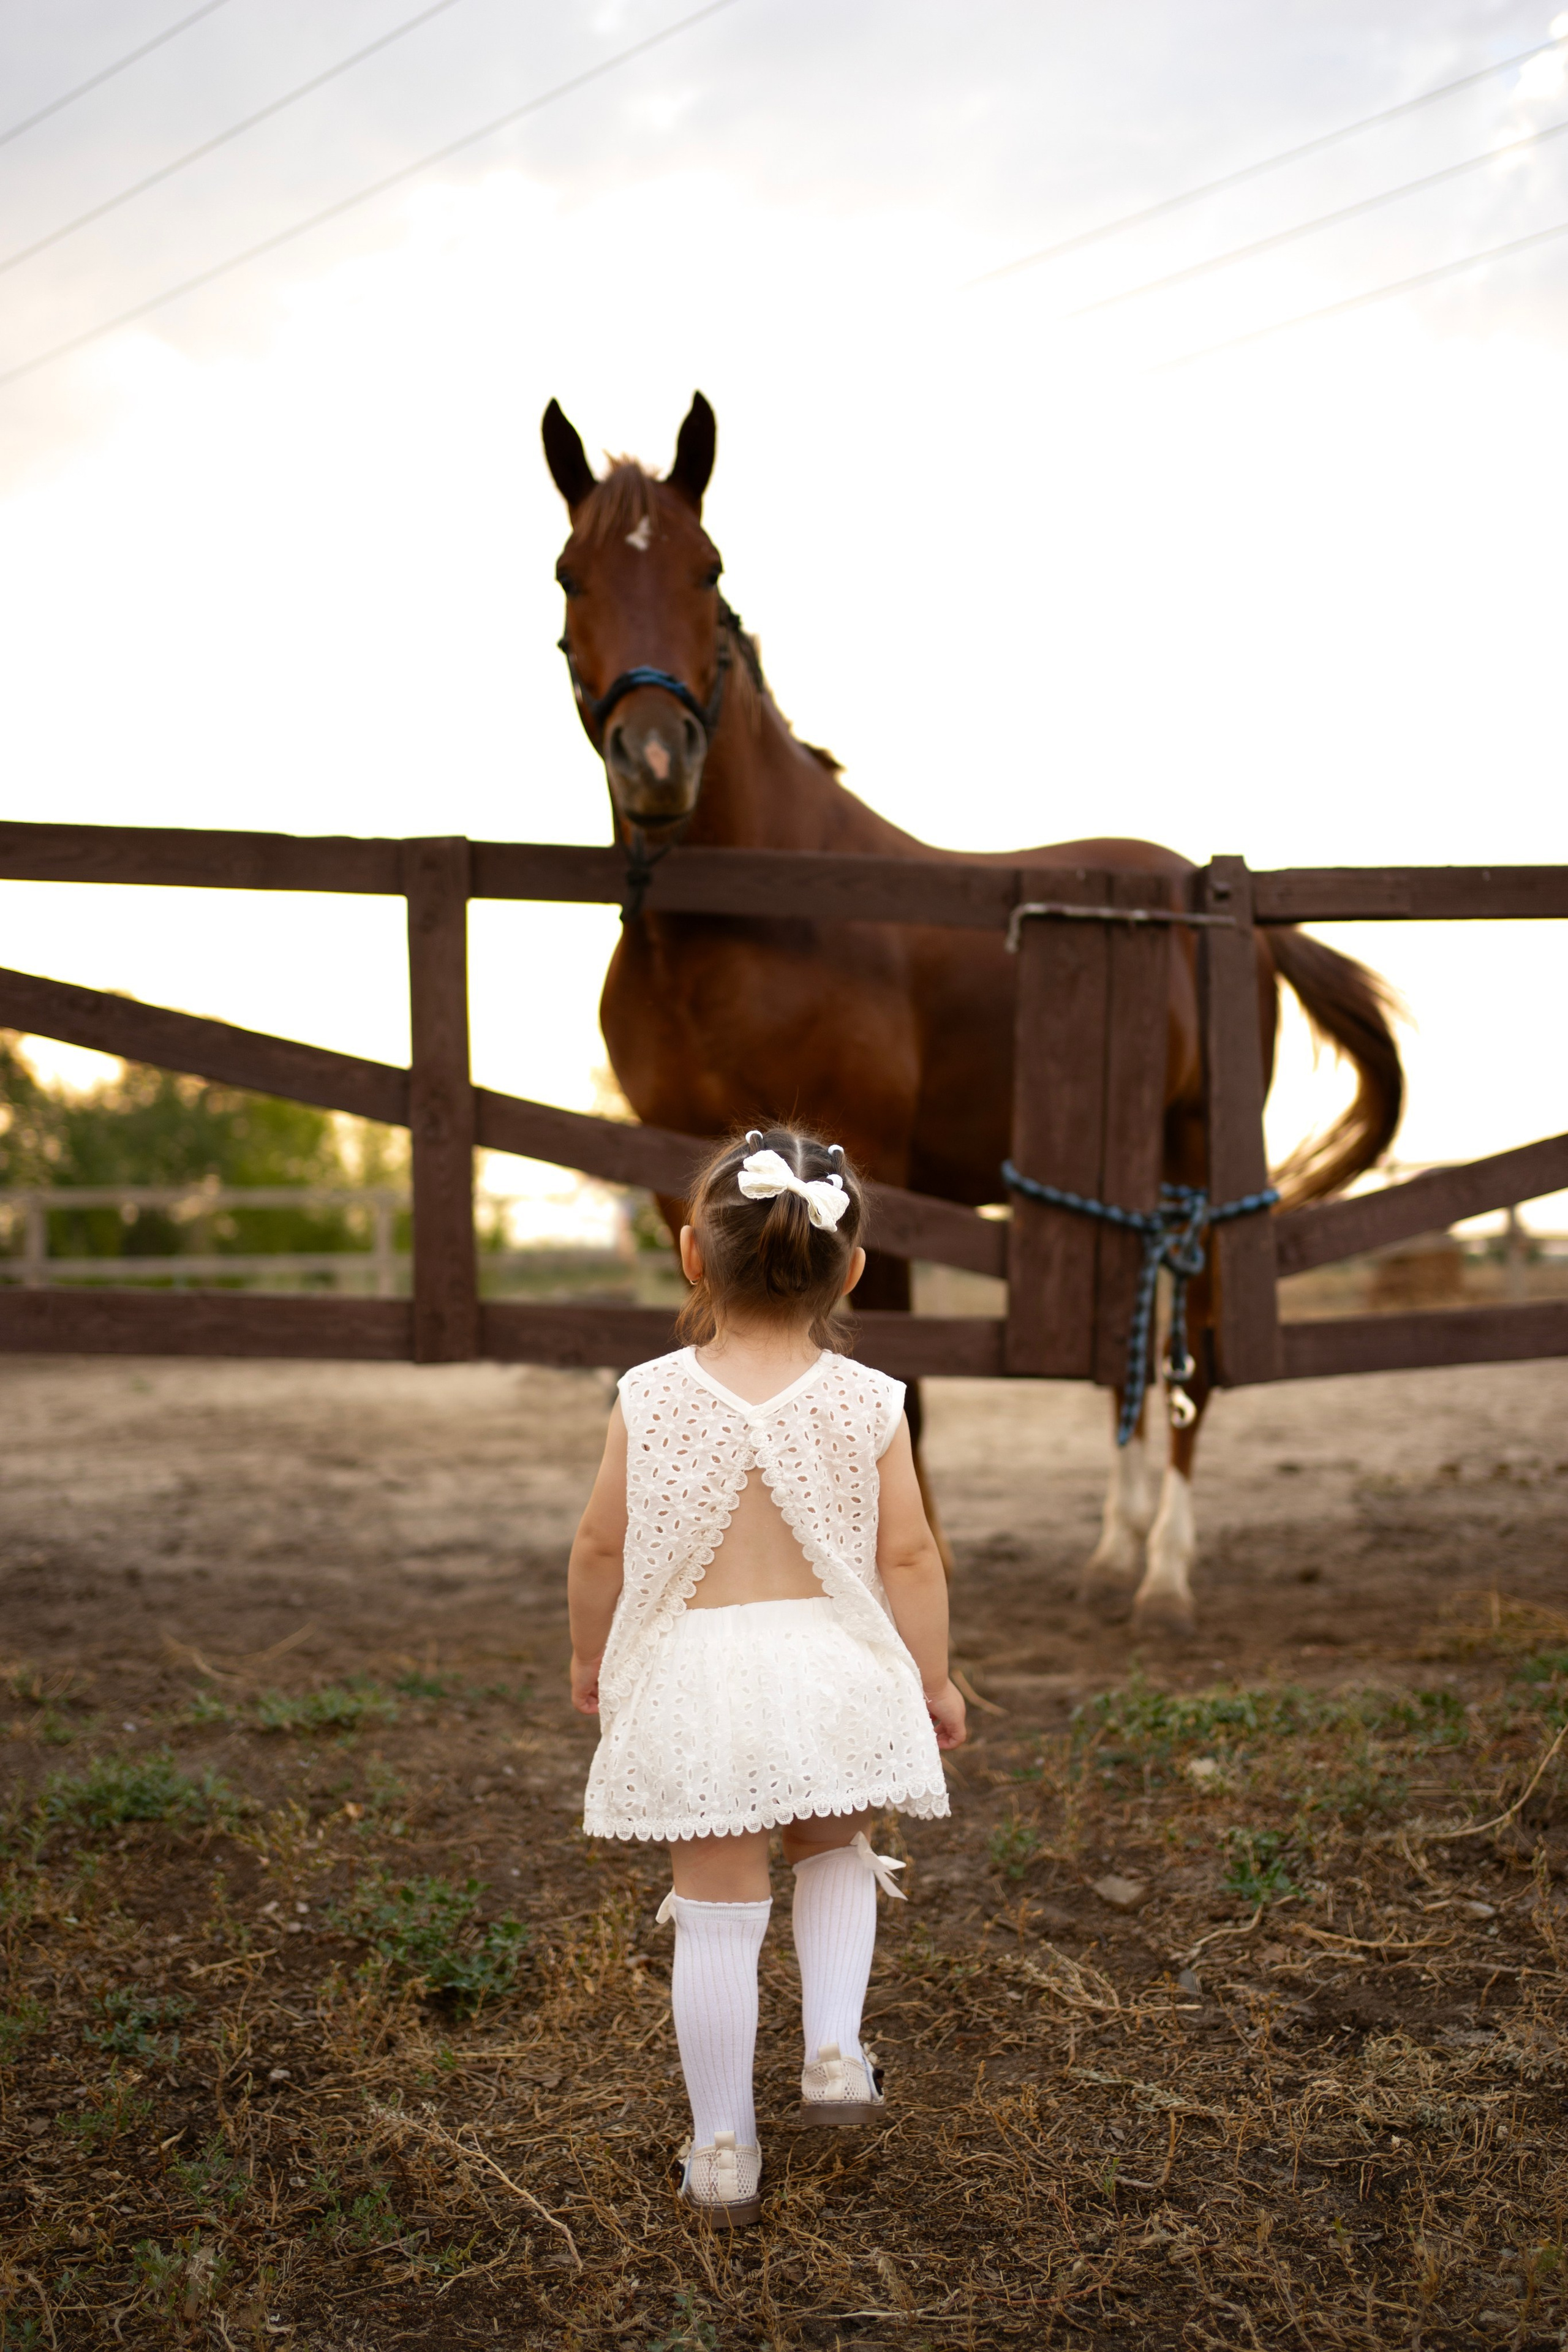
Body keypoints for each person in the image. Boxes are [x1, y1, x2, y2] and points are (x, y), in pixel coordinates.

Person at [567, 1126, 967, 2225]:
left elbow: (600, 1546)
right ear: (853, 1268)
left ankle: (722, 2151)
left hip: (699, 1681)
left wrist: (590, 1655)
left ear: (694, 1256)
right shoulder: (872, 1400)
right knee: (837, 1845)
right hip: (833, 1667)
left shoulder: (647, 1396)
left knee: (718, 1911)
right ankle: (834, 2051)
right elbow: (911, 1556)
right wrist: (931, 1681)